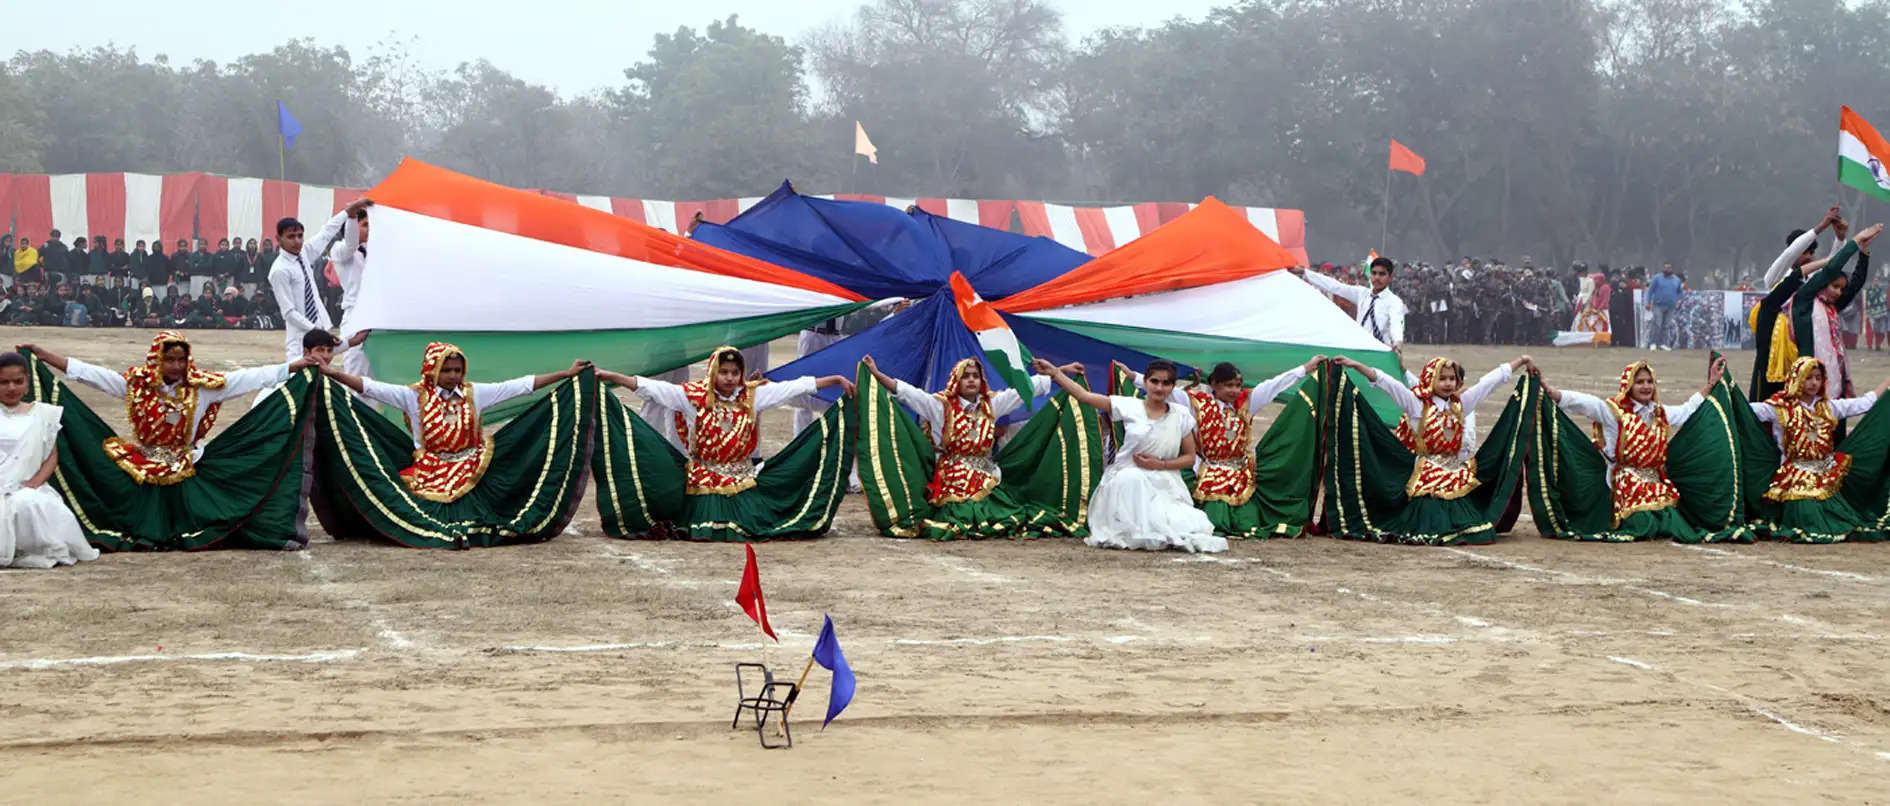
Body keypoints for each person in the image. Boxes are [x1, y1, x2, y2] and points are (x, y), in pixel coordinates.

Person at [594, 346, 855, 541]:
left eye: (735, 373)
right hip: (703, 477)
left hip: (743, 476)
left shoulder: (752, 396)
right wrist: (612, 376)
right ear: (713, 372)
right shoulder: (693, 397)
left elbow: (791, 388)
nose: (730, 378)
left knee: (758, 519)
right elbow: (652, 388)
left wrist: (833, 380)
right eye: (724, 372)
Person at [18, 333, 319, 485]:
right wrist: (47, 356)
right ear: (157, 361)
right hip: (144, 461)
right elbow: (93, 376)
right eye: (169, 360)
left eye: (180, 360)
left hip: (190, 461)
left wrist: (292, 367)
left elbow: (249, 377)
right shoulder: (137, 385)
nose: (176, 366)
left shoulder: (202, 386)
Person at [319, 343, 589, 503]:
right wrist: (333, 373)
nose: (452, 376)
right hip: (431, 469)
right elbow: (369, 387)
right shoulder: (414, 396)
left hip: (472, 465)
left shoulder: (474, 393)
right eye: (446, 370)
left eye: (457, 370)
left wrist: (565, 374)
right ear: (431, 370)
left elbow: (519, 386)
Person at [856, 353, 1085, 540]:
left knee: (1004, 512)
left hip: (986, 473)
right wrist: (877, 374)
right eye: (966, 376)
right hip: (953, 475)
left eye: (976, 376)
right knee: (962, 514)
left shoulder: (991, 404)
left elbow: (1026, 388)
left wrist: (1060, 371)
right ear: (957, 380)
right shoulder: (940, 407)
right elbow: (907, 393)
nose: (972, 380)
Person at [1327, 354, 1533, 545]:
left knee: (1471, 522)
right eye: (1442, 378)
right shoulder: (1416, 404)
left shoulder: (1461, 404)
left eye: (1452, 378)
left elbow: (1489, 382)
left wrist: (1521, 361)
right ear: (1430, 379)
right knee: (1433, 519)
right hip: (1425, 474)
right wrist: (1355, 365)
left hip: (1455, 473)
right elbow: (1386, 383)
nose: (1448, 383)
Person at [1117, 357, 1325, 538]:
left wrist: (1305, 368)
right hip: (1206, 468)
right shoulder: (1196, 402)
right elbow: (1165, 390)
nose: (1234, 390)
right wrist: (1132, 376)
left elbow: (1275, 385)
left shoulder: (1247, 402)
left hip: (1241, 470)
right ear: (1214, 384)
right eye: (1228, 385)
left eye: (1237, 385)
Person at [1033, 357, 1223, 552]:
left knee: (1187, 525)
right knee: (1134, 479)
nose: (1159, 388)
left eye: (1166, 383)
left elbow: (1190, 458)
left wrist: (1160, 465)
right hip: (1126, 477)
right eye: (1154, 381)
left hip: (1166, 482)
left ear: (1173, 386)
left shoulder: (1181, 414)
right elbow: (1084, 397)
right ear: (1146, 382)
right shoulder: (1129, 406)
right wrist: (1055, 373)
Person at [1537, 359, 1722, 541]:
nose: (1646, 386)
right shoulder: (1615, 414)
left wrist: (1711, 384)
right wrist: (1553, 393)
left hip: (1656, 483)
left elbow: (1687, 411)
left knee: (1672, 523)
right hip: (1625, 485)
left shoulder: (1659, 413)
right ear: (1628, 386)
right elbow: (1588, 404)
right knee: (1644, 523)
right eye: (1640, 382)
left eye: (1650, 382)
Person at [1749, 357, 1890, 543]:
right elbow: (1745, 410)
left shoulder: (1828, 407)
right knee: (1806, 506)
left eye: (1818, 378)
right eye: (1808, 378)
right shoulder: (1778, 408)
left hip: (1826, 469)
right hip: (1794, 473)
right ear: (1796, 378)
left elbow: (1865, 403)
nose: (1814, 383)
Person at [0, 351, 98, 569]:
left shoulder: (43, 415)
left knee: (26, 503)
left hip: (26, 486)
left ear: (27, 383)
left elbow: (52, 456)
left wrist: (36, 483)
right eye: (4, 382)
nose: (11, 388)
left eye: (18, 382)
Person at [270, 198, 370, 362]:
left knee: (322, 372)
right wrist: (315, 330)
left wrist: (348, 214)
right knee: (300, 379)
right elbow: (289, 313)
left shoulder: (304, 253)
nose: (297, 241)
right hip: (301, 337)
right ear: (278, 238)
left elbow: (326, 232)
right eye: (291, 236)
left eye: (300, 236)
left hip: (319, 326)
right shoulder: (279, 270)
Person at [1792, 224, 1879, 411]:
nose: (1839, 293)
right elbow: (1831, 269)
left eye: (1841, 288)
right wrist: (1854, 242)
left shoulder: (1831, 307)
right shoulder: (1804, 301)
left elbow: (1856, 284)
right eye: (1834, 286)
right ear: (1822, 284)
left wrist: (1864, 253)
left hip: (1835, 383)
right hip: (1807, 388)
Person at [1297, 257, 1405, 350]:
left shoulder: (1394, 301)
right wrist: (1305, 272)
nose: (1377, 277)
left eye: (1382, 274)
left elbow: (1396, 324)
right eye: (1374, 273)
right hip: (1359, 347)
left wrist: (1397, 343)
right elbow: (1336, 286)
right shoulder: (1362, 293)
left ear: (1390, 277)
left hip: (1381, 349)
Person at [329, 204, 373, 377]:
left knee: (374, 375)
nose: (370, 230)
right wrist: (352, 216)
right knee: (356, 368)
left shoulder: (374, 249)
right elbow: (351, 244)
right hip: (356, 313)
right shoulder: (340, 249)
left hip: (377, 315)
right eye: (365, 225)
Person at [1646, 263, 1685, 351]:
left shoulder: (1676, 280)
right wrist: (1648, 302)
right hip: (1658, 305)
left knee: (1666, 325)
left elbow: (1680, 292)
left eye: (1669, 268)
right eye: (1665, 267)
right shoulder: (1657, 278)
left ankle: (1663, 344)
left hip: (1671, 306)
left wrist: (1676, 300)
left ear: (1672, 269)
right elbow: (1650, 291)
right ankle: (1653, 343)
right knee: (1657, 324)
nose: (1667, 269)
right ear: (1663, 269)